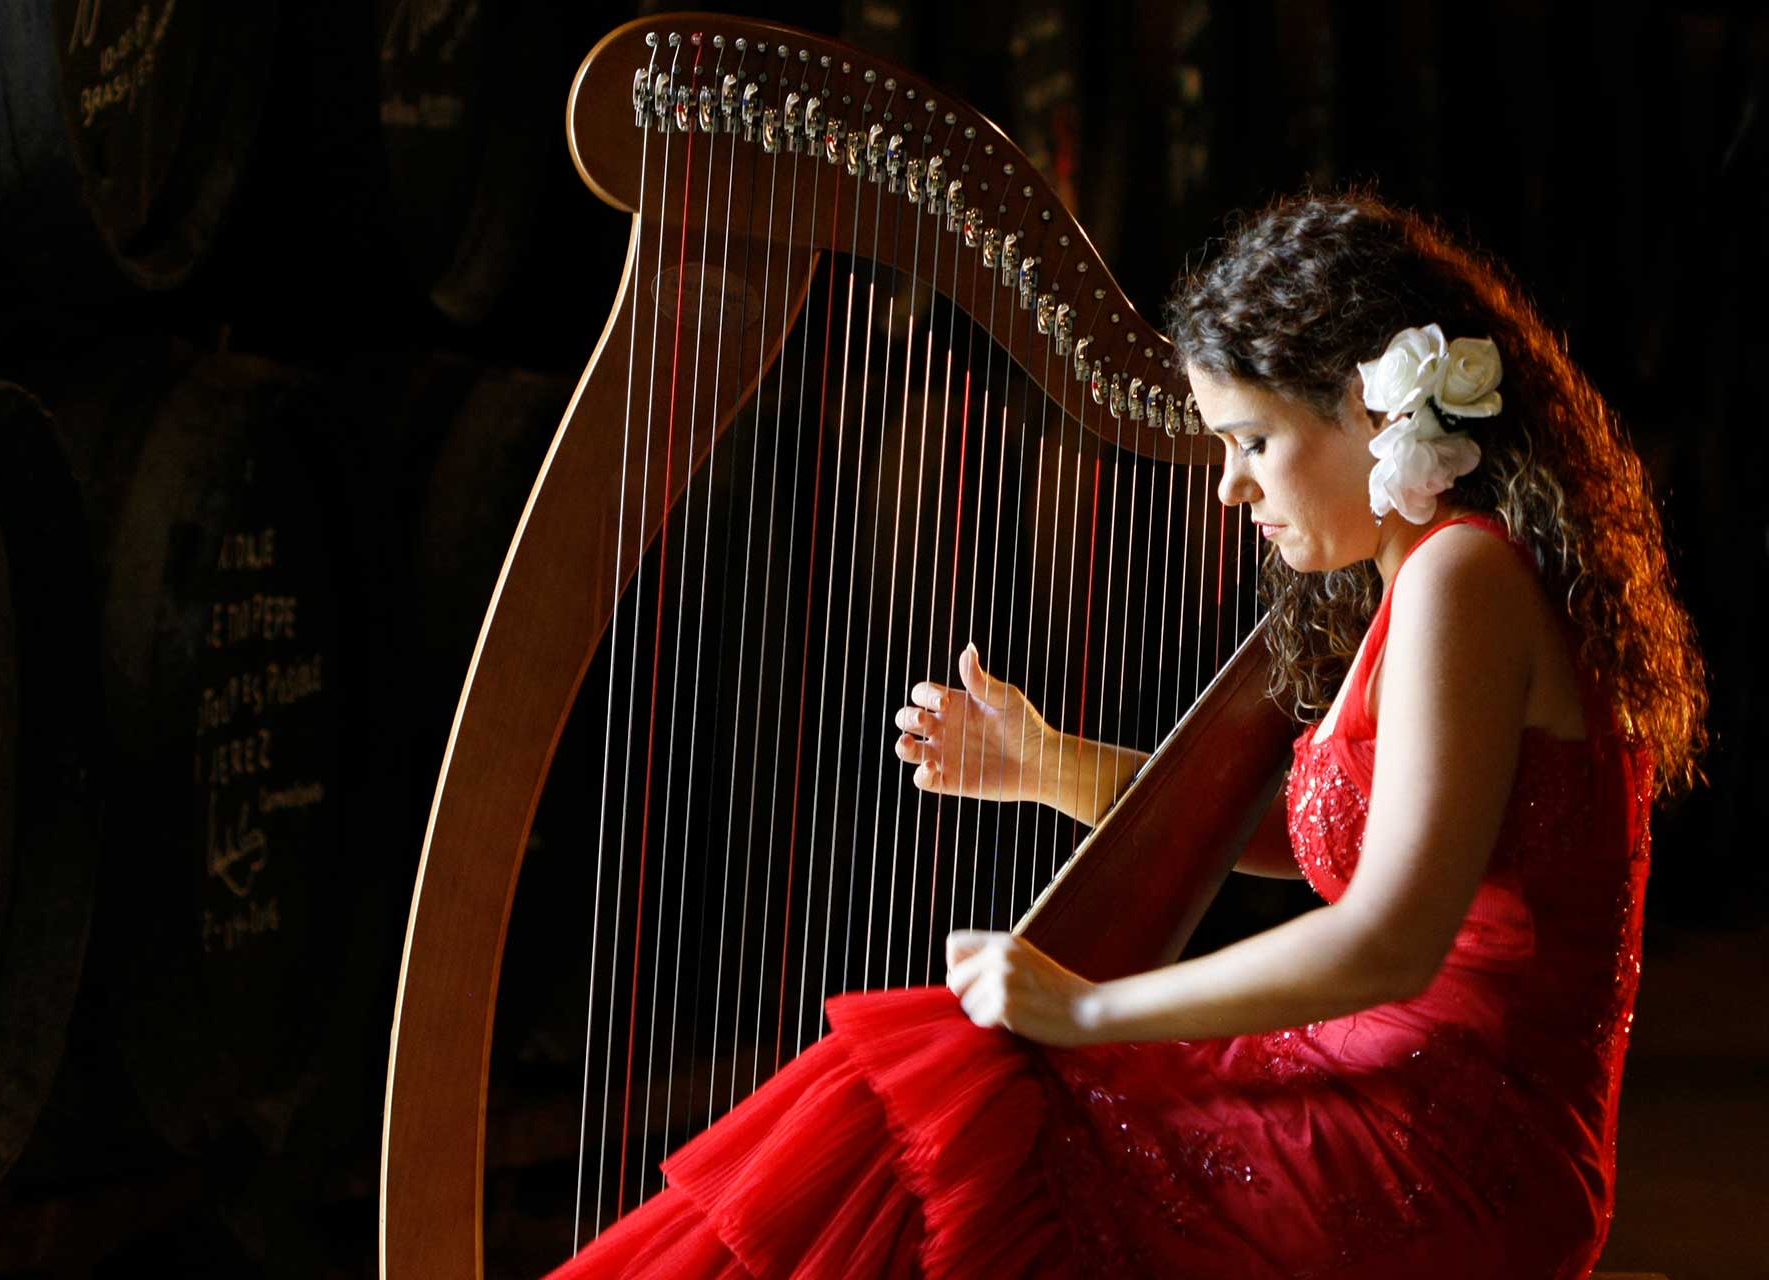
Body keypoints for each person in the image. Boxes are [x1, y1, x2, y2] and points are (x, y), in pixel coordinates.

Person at [547, 189, 1707, 1279]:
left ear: (1367, 406)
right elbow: (1335, 843)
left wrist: (1085, 1007)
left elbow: (1390, 938)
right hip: (1381, 1091)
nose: (1228, 488)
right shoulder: (1419, 579)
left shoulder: (1463, 574)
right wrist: (1049, 762)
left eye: (1251, 440)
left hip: (1446, 1148)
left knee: (928, 1101)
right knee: (911, 1093)